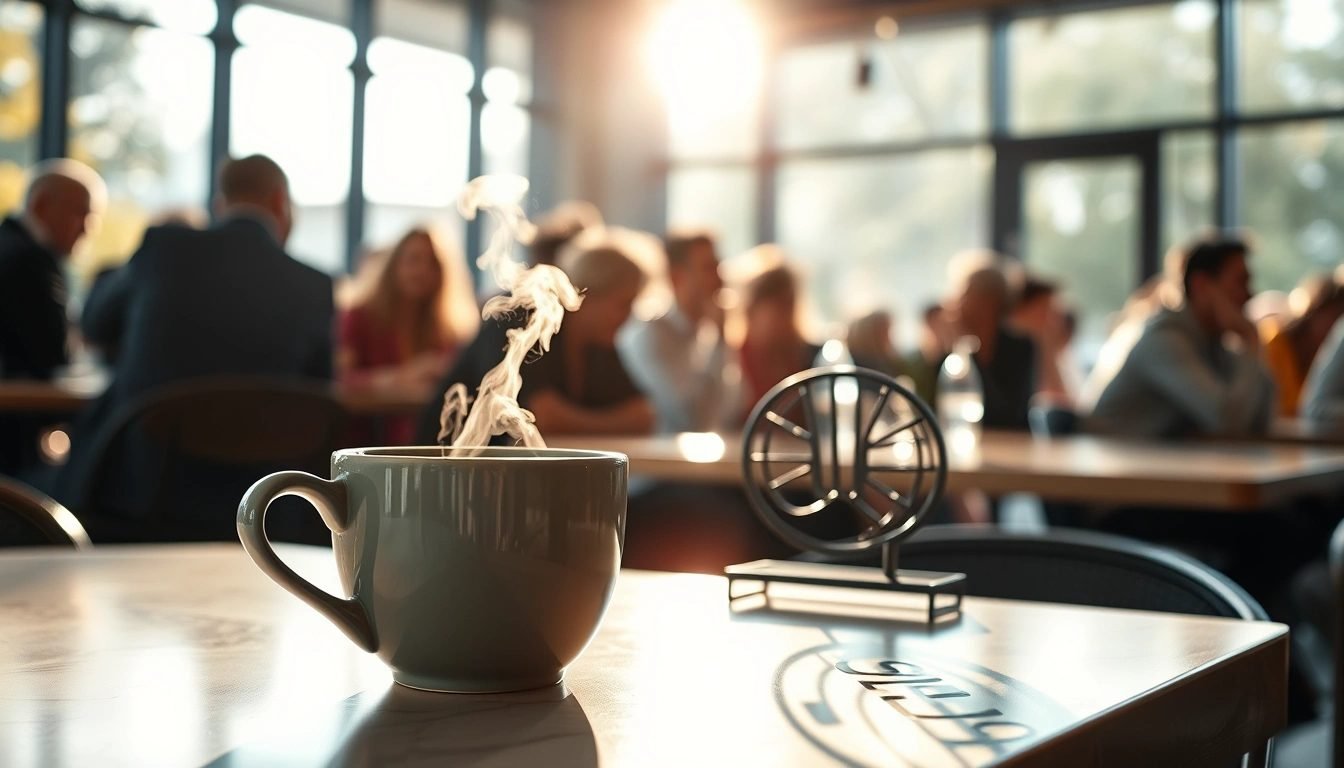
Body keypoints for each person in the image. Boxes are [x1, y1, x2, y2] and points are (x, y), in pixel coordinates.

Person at [58, 154, 335, 527]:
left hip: (143, 490)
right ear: (279, 201)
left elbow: (94, 325)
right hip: (267, 507)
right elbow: (318, 390)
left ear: (220, 205)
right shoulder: (314, 286)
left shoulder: (164, 250)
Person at [418, 232, 654, 442]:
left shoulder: (598, 343)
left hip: (512, 471)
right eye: (623, 304)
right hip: (450, 462)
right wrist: (607, 423)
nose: (629, 316)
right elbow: (542, 417)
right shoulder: (526, 315)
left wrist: (574, 423)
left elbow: (643, 416)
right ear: (591, 294)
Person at [1084, 236, 1275, 438]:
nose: (1250, 294)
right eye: (1241, 281)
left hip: (1154, 463)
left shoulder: (1213, 344)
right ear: (1201, 285)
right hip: (1112, 462)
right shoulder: (1164, 341)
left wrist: (1250, 349)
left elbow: (1260, 419)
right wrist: (1251, 340)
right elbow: (1227, 422)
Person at [0, 159, 104, 477]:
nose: (87, 229)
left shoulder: (9, 247)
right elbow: (52, 355)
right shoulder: (28, 262)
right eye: (81, 213)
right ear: (42, 205)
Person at [338, 227, 478, 444]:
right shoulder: (359, 317)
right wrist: (401, 377)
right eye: (413, 260)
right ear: (394, 264)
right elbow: (339, 379)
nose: (422, 270)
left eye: (432, 263)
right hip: (366, 443)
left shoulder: (448, 327)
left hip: (428, 441)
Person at [617, 230, 737, 434]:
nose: (720, 281)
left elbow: (734, 408)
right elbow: (691, 418)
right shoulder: (650, 334)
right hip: (658, 462)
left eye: (718, 267)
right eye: (708, 269)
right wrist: (719, 344)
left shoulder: (707, 333)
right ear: (676, 277)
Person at [944, 251, 1037, 430]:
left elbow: (1007, 415)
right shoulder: (954, 351)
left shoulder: (1021, 348)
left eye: (966, 294)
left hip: (1014, 450)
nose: (957, 304)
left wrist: (973, 358)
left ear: (990, 300)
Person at [736, 252, 820, 417]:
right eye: (778, 306)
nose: (786, 315)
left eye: (790, 304)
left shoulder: (808, 358)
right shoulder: (732, 360)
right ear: (752, 309)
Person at [1261, 274, 1344, 417]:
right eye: (1335, 317)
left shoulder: (1319, 358)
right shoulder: (1273, 343)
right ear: (1316, 309)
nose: (1336, 330)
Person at [1008, 275, 1074, 406]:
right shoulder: (1010, 354)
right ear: (1018, 311)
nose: (1052, 323)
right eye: (1044, 312)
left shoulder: (1043, 350)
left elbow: (1065, 406)